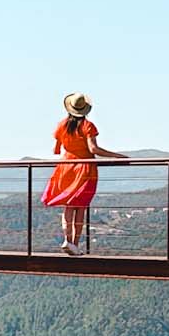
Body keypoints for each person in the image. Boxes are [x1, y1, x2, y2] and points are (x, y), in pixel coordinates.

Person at [41, 93, 127, 256]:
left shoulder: (61, 125)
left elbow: (56, 149)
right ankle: (75, 244)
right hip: (85, 168)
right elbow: (93, 149)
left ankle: (67, 240)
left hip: (65, 167)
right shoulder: (88, 126)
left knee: (68, 206)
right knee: (80, 207)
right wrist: (118, 156)